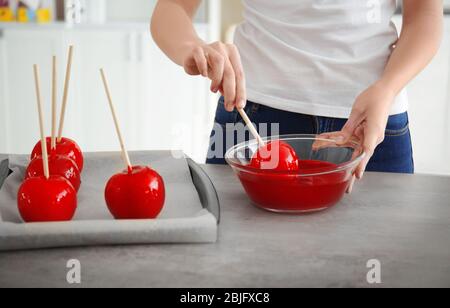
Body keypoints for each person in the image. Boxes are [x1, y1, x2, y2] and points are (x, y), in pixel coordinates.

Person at [151, 0, 443, 183]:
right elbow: (172, 7)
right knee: (238, 264)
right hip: (255, 118)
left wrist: (387, 88)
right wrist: (193, 48)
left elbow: (425, 15)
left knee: (384, 270)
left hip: (373, 122)